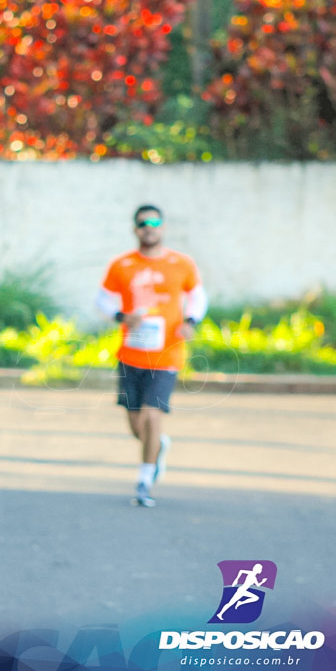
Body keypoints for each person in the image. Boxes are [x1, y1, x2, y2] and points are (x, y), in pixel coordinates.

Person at [97, 204, 207, 508]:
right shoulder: (122, 265)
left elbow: (198, 296)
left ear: (163, 227)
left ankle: (144, 481)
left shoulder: (181, 264)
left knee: (151, 415)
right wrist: (121, 316)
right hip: (131, 355)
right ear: (135, 230)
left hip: (167, 355)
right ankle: (158, 446)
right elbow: (102, 300)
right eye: (143, 223)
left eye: (155, 222)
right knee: (136, 425)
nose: (149, 227)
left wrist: (190, 322)